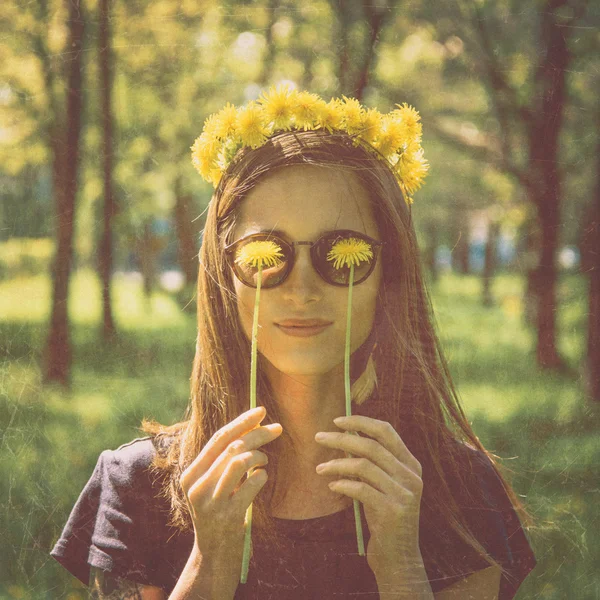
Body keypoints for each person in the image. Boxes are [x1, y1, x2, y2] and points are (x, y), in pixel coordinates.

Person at [50, 87, 537, 599]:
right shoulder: (136, 487)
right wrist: (208, 563)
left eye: (343, 254)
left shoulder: (459, 490)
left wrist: (401, 568)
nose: (302, 289)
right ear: (224, 274)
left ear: (387, 274)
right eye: (266, 256)